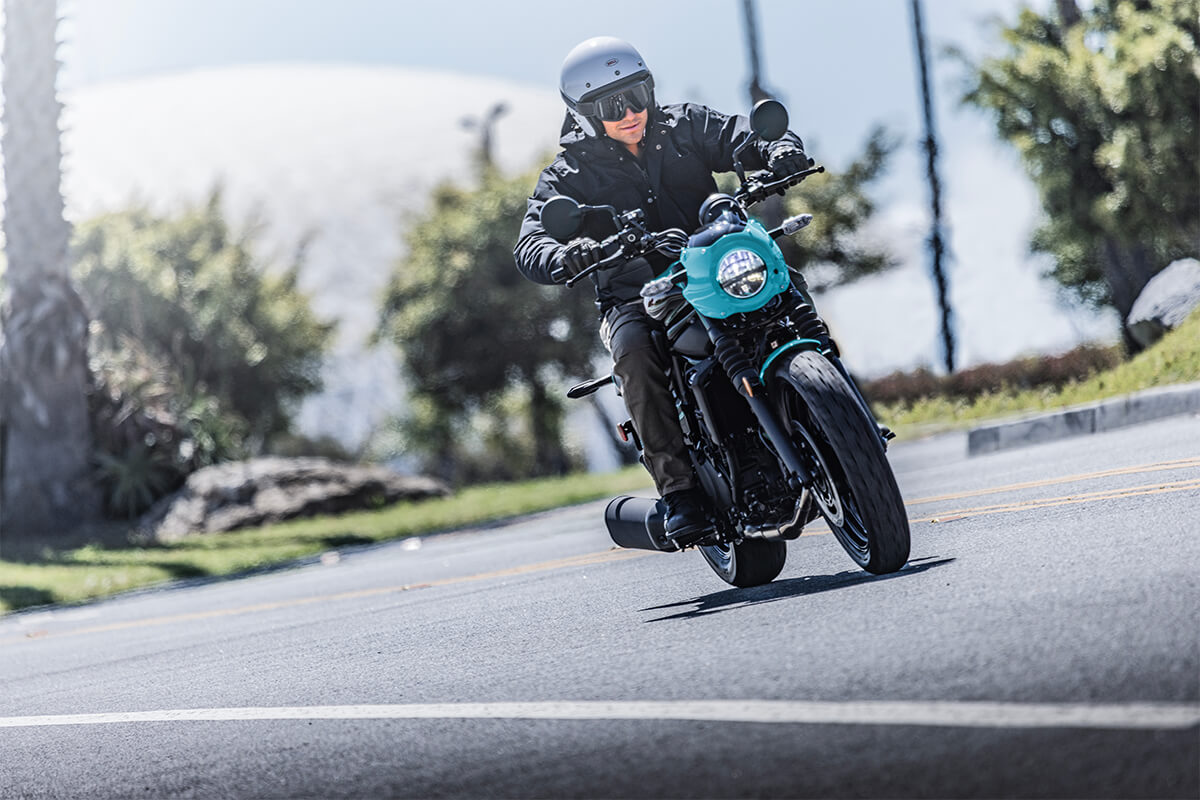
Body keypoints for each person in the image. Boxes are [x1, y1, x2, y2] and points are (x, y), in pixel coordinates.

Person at [513, 36, 809, 544]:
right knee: (631, 350)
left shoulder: (686, 124)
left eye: (637, 95)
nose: (629, 112)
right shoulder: (570, 173)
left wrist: (777, 148)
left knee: (782, 281)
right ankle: (680, 492)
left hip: (713, 264)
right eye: (611, 105)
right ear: (584, 115)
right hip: (638, 294)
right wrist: (564, 254)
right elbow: (532, 238)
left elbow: (739, 137)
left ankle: (836, 406)